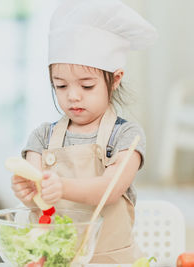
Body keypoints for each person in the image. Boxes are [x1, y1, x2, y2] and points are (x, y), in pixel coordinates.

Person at [11, 0, 157, 264]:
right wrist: (27, 193)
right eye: (61, 86)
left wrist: (61, 186)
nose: (73, 97)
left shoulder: (126, 137)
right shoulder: (41, 137)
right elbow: (38, 203)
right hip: (56, 259)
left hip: (111, 260)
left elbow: (109, 189)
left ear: (116, 79)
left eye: (87, 86)